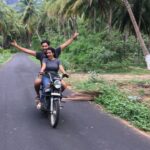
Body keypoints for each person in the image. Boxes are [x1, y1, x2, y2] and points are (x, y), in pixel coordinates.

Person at [11, 32, 79, 102]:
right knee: (37, 83)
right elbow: (28, 51)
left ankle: (57, 94)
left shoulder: (55, 51)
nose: (44, 48)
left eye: (45, 46)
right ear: (41, 47)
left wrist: (72, 38)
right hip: (44, 73)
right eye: (43, 46)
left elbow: (65, 45)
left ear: (49, 46)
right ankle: (38, 95)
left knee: (64, 85)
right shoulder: (40, 55)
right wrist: (17, 46)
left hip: (55, 74)